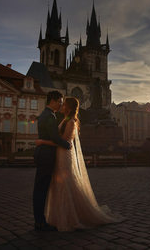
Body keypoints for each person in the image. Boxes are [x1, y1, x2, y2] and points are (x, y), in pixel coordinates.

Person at [36, 97, 124, 232]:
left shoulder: (71, 122)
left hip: (64, 156)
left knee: (66, 184)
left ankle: (70, 217)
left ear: (69, 108)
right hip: (59, 155)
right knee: (60, 184)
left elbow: (64, 143)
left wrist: (43, 142)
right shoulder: (65, 120)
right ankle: (59, 216)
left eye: (64, 104)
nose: (62, 106)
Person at [33, 91, 72, 231]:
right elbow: (55, 138)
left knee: (40, 187)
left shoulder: (46, 114)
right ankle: (40, 221)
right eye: (60, 101)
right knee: (41, 188)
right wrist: (67, 144)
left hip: (43, 152)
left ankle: (39, 220)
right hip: (46, 154)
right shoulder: (49, 116)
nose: (61, 104)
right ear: (53, 101)